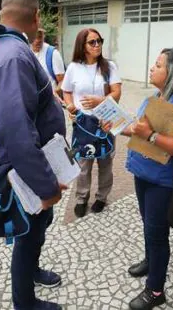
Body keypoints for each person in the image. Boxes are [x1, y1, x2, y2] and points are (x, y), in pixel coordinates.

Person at [0, 0, 67, 310]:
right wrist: (46, 186)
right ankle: (26, 303)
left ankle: (32, 271)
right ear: (37, 16)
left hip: (21, 164)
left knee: (35, 231)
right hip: (23, 171)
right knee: (29, 233)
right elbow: (17, 135)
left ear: (2, 13)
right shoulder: (13, 55)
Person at [103, 48, 173, 310]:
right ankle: (150, 260)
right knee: (148, 226)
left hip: (162, 180)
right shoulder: (155, 96)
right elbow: (138, 129)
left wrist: (151, 136)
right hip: (143, 173)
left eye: (157, 65)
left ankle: (155, 291)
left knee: (157, 234)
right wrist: (116, 125)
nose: (151, 68)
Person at [61, 28, 122, 217]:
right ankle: (81, 198)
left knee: (105, 163)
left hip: (106, 120)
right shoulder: (73, 68)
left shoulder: (109, 66)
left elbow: (117, 93)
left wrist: (100, 101)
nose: (97, 45)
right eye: (92, 42)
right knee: (83, 163)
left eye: (99, 41)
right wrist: (71, 106)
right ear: (83, 46)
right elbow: (67, 91)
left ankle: (102, 197)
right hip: (82, 123)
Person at [31, 28, 65, 96]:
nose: (37, 40)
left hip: (50, 101)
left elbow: (62, 81)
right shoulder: (25, 51)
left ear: (44, 36)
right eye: (35, 37)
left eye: (40, 37)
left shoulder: (53, 54)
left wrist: (53, 94)